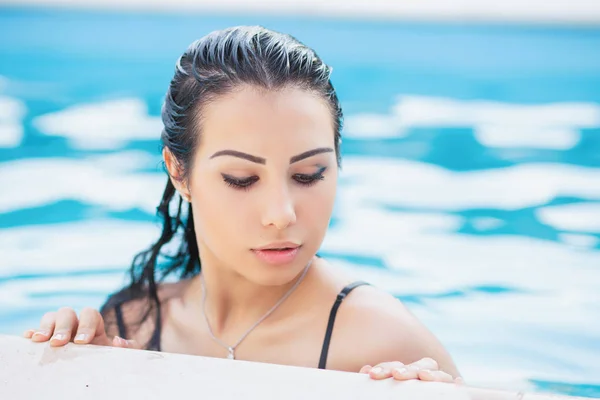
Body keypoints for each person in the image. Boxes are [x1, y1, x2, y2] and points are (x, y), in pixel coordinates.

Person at [23, 26, 462, 384]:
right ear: (179, 172)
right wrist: (78, 377)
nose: (282, 214)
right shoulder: (132, 324)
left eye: (309, 175)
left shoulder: (384, 341)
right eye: (242, 179)